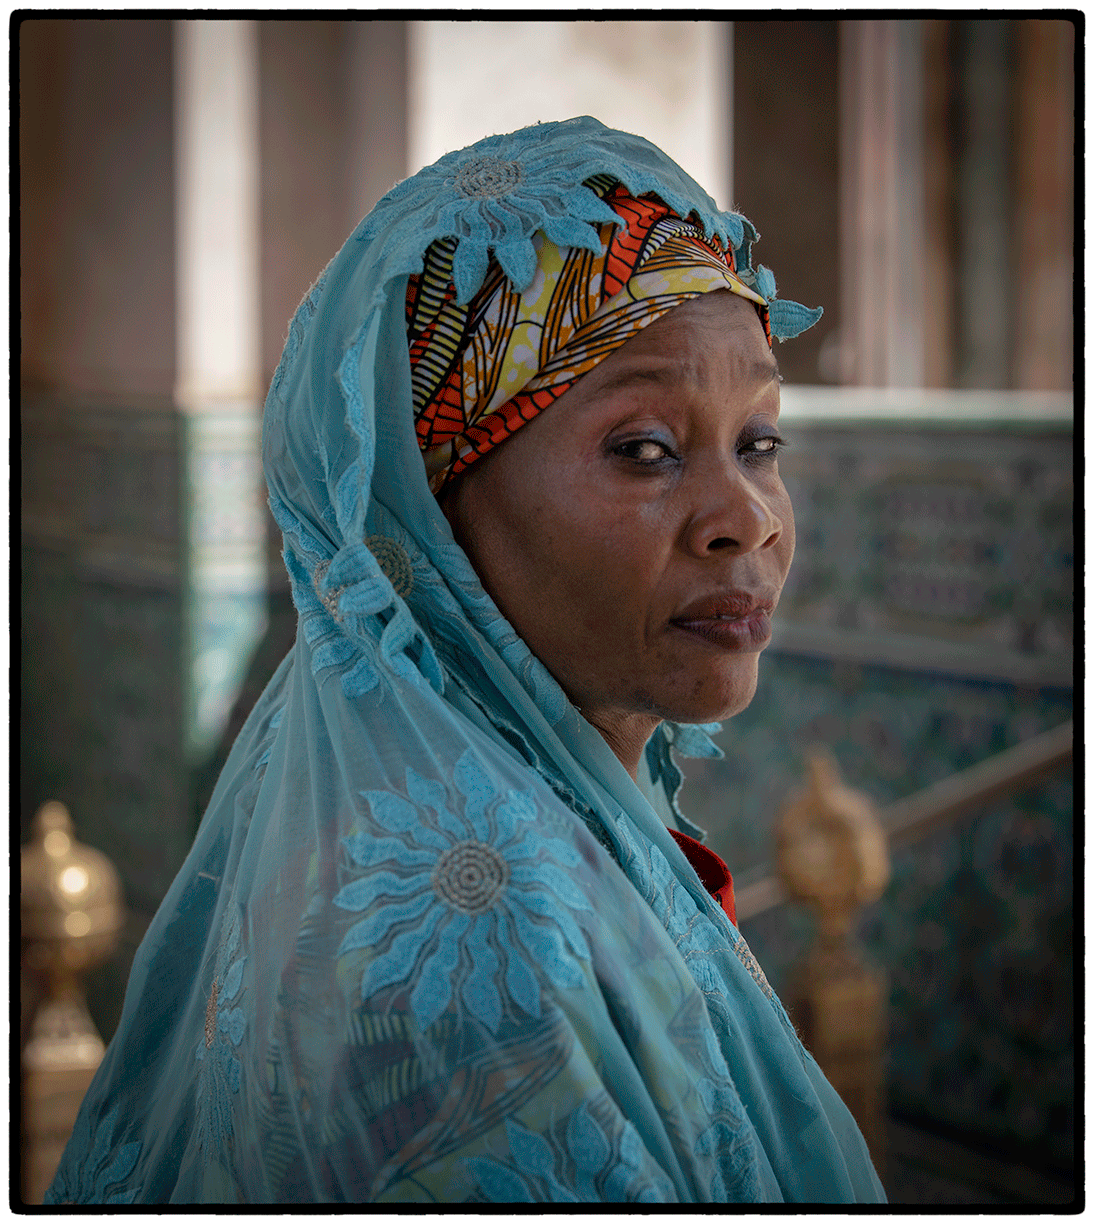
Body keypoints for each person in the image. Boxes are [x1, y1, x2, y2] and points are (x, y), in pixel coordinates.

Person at [46, 116, 885, 1204]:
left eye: (757, 442)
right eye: (644, 449)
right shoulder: (468, 960)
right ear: (434, 512)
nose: (744, 519)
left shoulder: (548, 833)